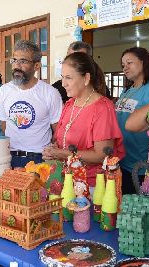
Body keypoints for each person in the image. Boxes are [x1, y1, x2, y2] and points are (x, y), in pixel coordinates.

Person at [43, 52, 124, 187]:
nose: (63, 84)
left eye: (69, 78)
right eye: (62, 77)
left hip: (91, 185)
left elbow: (101, 155)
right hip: (66, 180)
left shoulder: (102, 108)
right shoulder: (70, 105)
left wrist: (63, 154)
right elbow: (60, 141)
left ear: (86, 78)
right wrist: (53, 151)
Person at [0, 40, 63, 168]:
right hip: (10, 158)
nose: (16, 65)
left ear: (36, 66)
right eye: (14, 60)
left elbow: (58, 132)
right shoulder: (4, 90)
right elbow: (3, 125)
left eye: (23, 61)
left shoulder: (50, 93)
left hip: (39, 159)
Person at [115, 47, 149, 194]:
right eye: (123, 65)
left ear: (143, 63)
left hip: (143, 164)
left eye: (129, 63)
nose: (125, 68)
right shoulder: (127, 91)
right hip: (123, 160)